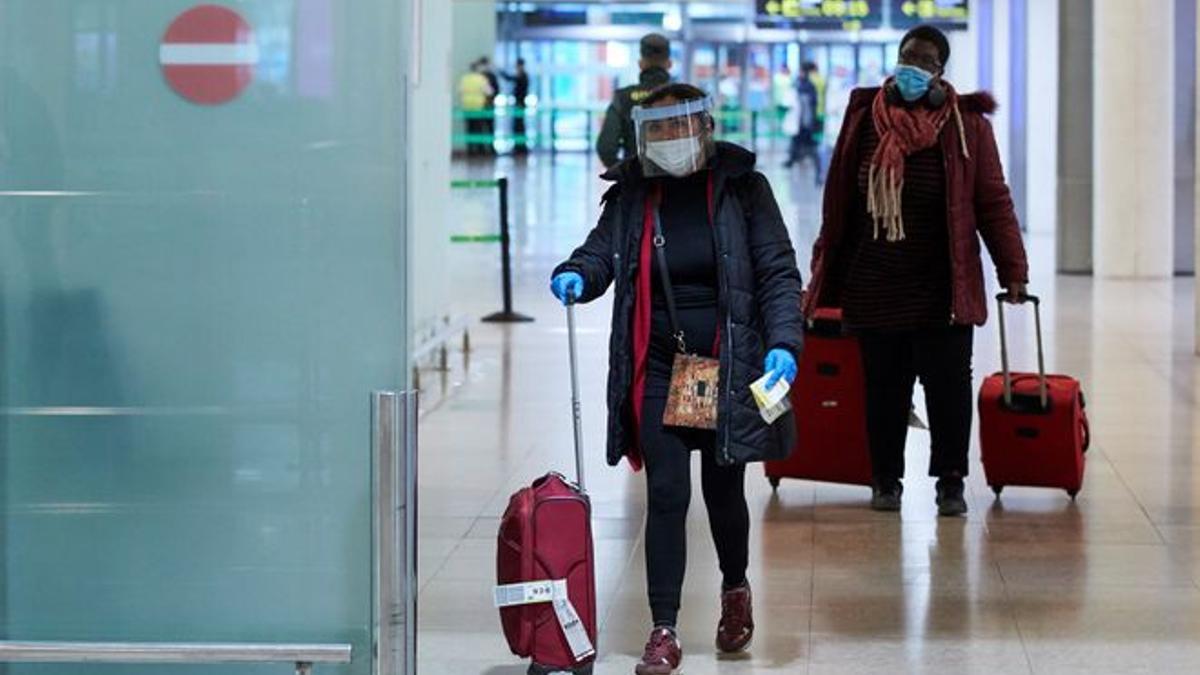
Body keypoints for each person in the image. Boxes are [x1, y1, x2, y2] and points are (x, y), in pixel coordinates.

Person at [551, 84, 804, 675]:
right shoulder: (636, 195)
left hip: (720, 362)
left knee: (722, 491)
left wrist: (785, 343)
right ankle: (663, 629)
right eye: (657, 130)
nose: (669, 140)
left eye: (679, 127)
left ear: (706, 127)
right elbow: (600, 253)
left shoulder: (742, 190)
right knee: (666, 494)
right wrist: (576, 275)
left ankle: (735, 587)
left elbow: (775, 271)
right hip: (661, 364)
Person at [804, 25, 1029, 516]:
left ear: (940, 70)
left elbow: (993, 201)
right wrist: (823, 271)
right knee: (883, 389)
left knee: (948, 388)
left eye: (924, 60)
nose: (912, 67)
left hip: (942, 285)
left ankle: (951, 480)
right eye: (907, 56)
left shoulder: (968, 126)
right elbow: (839, 196)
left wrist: (1013, 268)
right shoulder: (865, 118)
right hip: (873, 280)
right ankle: (885, 479)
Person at [596, 33, 673, 170]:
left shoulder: (623, 97)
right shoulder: (686, 95)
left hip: (637, 184)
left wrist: (627, 175)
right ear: (669, 64)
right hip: (678, 183)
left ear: (641, 64)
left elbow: (606, 148)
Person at [783, 62, 823, 184]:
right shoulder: (807, 85)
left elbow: (806, 108)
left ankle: (816, 173)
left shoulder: (805, 86)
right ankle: (794, 160)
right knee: (803, 146)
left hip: (805, 124)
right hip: (806, 123)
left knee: (811, 149)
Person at [458, 60, 494, 157]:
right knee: (478, 129)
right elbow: (489, 92)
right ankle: (478, 150)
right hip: (478, 108)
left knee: (469, 129)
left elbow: (460, 91)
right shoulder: (481, 79)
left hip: (467, 107)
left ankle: (470, 150)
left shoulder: (464, 79)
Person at [500, 58, 531, 154]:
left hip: (520, 104)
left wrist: (500, 72)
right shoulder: (522, 75)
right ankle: (519, 146)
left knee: (519, 126)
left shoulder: (523, 76)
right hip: (519, 103)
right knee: (518, 126)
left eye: (517, 65)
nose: (516, 68)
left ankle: (521, 147)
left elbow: (510, 78)